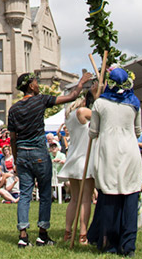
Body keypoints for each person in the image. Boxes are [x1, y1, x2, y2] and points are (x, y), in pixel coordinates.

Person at [8, 70, 93, 248]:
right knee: (45, 194)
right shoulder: (40, 100)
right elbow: (72, 96)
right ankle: (42, 235)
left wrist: (16, 159)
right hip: (39, 152)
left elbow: (13, 138)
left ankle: (23, 236)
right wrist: (82, 81)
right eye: (36, 82)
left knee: (24, 194)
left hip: (22, 153)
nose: (38, 85)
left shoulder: (14, 108)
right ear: (31, 85)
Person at [86, 67, 142, 257]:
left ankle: (109, 242)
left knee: (110, 196)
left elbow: (93, 132)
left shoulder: (100, 103)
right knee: (130, 197)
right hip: (130, 151)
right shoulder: (134, 103)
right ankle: (128, 245)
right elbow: (138, 131)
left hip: (109, 151)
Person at [57, 86, 98, 244]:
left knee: (74, 198)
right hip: (83, 160)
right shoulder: (82, 113)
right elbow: (100, 114)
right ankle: (82, 234)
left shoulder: (69, 117)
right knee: (85, 199)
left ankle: (68, 231)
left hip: (73, 159)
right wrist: (96, 98)